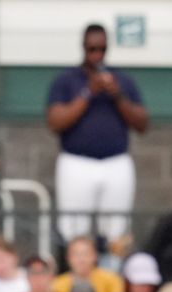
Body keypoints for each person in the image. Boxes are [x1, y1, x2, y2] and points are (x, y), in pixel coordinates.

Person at [47, 23, 147, 243]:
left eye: (101, 49)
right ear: (83, 48)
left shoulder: (122, 80)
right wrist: (88, 92)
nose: (97, 55)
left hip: (116, 162)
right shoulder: (67, 80)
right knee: (73, 227)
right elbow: (55, 122)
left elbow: (142, 124)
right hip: (76, 162)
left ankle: (113, 271)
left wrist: (118, 96)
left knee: (117, 228)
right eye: (92, 49)